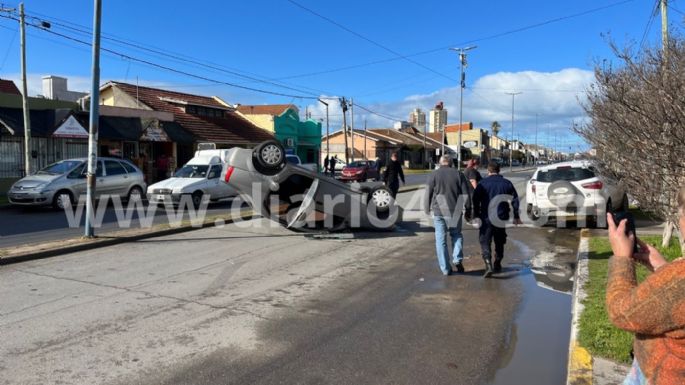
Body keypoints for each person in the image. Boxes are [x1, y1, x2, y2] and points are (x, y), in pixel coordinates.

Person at [606, 186, 685, 385]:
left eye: (681, 211)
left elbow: (621, 311)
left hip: (659, 375)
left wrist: (622, 259)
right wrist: (664, 269)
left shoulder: (679, 281)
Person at [424, 155, 472, 275]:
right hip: (455, 210)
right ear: (451, 163)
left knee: (441, 240)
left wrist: (426, 209)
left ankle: (445, 269)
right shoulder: (458, 174)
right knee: (456, 235)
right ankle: (457, 259)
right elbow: (465, 194)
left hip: (439, 212)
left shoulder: (433, 174)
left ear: (440, 163)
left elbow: (428, 193)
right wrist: (468, 210)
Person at [472, 162, 522, 278]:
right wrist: (516, 216)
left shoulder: (482, 184)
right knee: (500, 241)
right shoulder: (507, 183)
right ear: (499, 170)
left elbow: (475, 200)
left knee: (485, 241)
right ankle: (497, 262)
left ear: (488, 171)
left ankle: (488, 264)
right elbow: (515, 200)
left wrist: (475, 215)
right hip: (501, 217)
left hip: (486, 217)